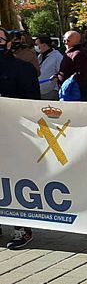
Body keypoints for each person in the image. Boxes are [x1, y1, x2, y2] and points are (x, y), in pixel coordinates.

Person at [0, 27, 40, 249]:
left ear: (8, 42)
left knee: (14, 183)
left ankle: (21, 229)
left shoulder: (22, 68)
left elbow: (32, 104)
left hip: (15, 135)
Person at [58, 30, 87, 98]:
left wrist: (71, 82)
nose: (65, 43)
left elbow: (82, 74)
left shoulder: (78, 54)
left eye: (66, 40)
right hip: (67, 88)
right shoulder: (70, 53)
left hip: (72, 91)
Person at [35, 35, 63, 100]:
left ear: (44, 45)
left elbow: (60, 73)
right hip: (40, 89)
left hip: (51, 91)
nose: (36, 47)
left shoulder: (57, 56)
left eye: (37, 44)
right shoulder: (40, 56)